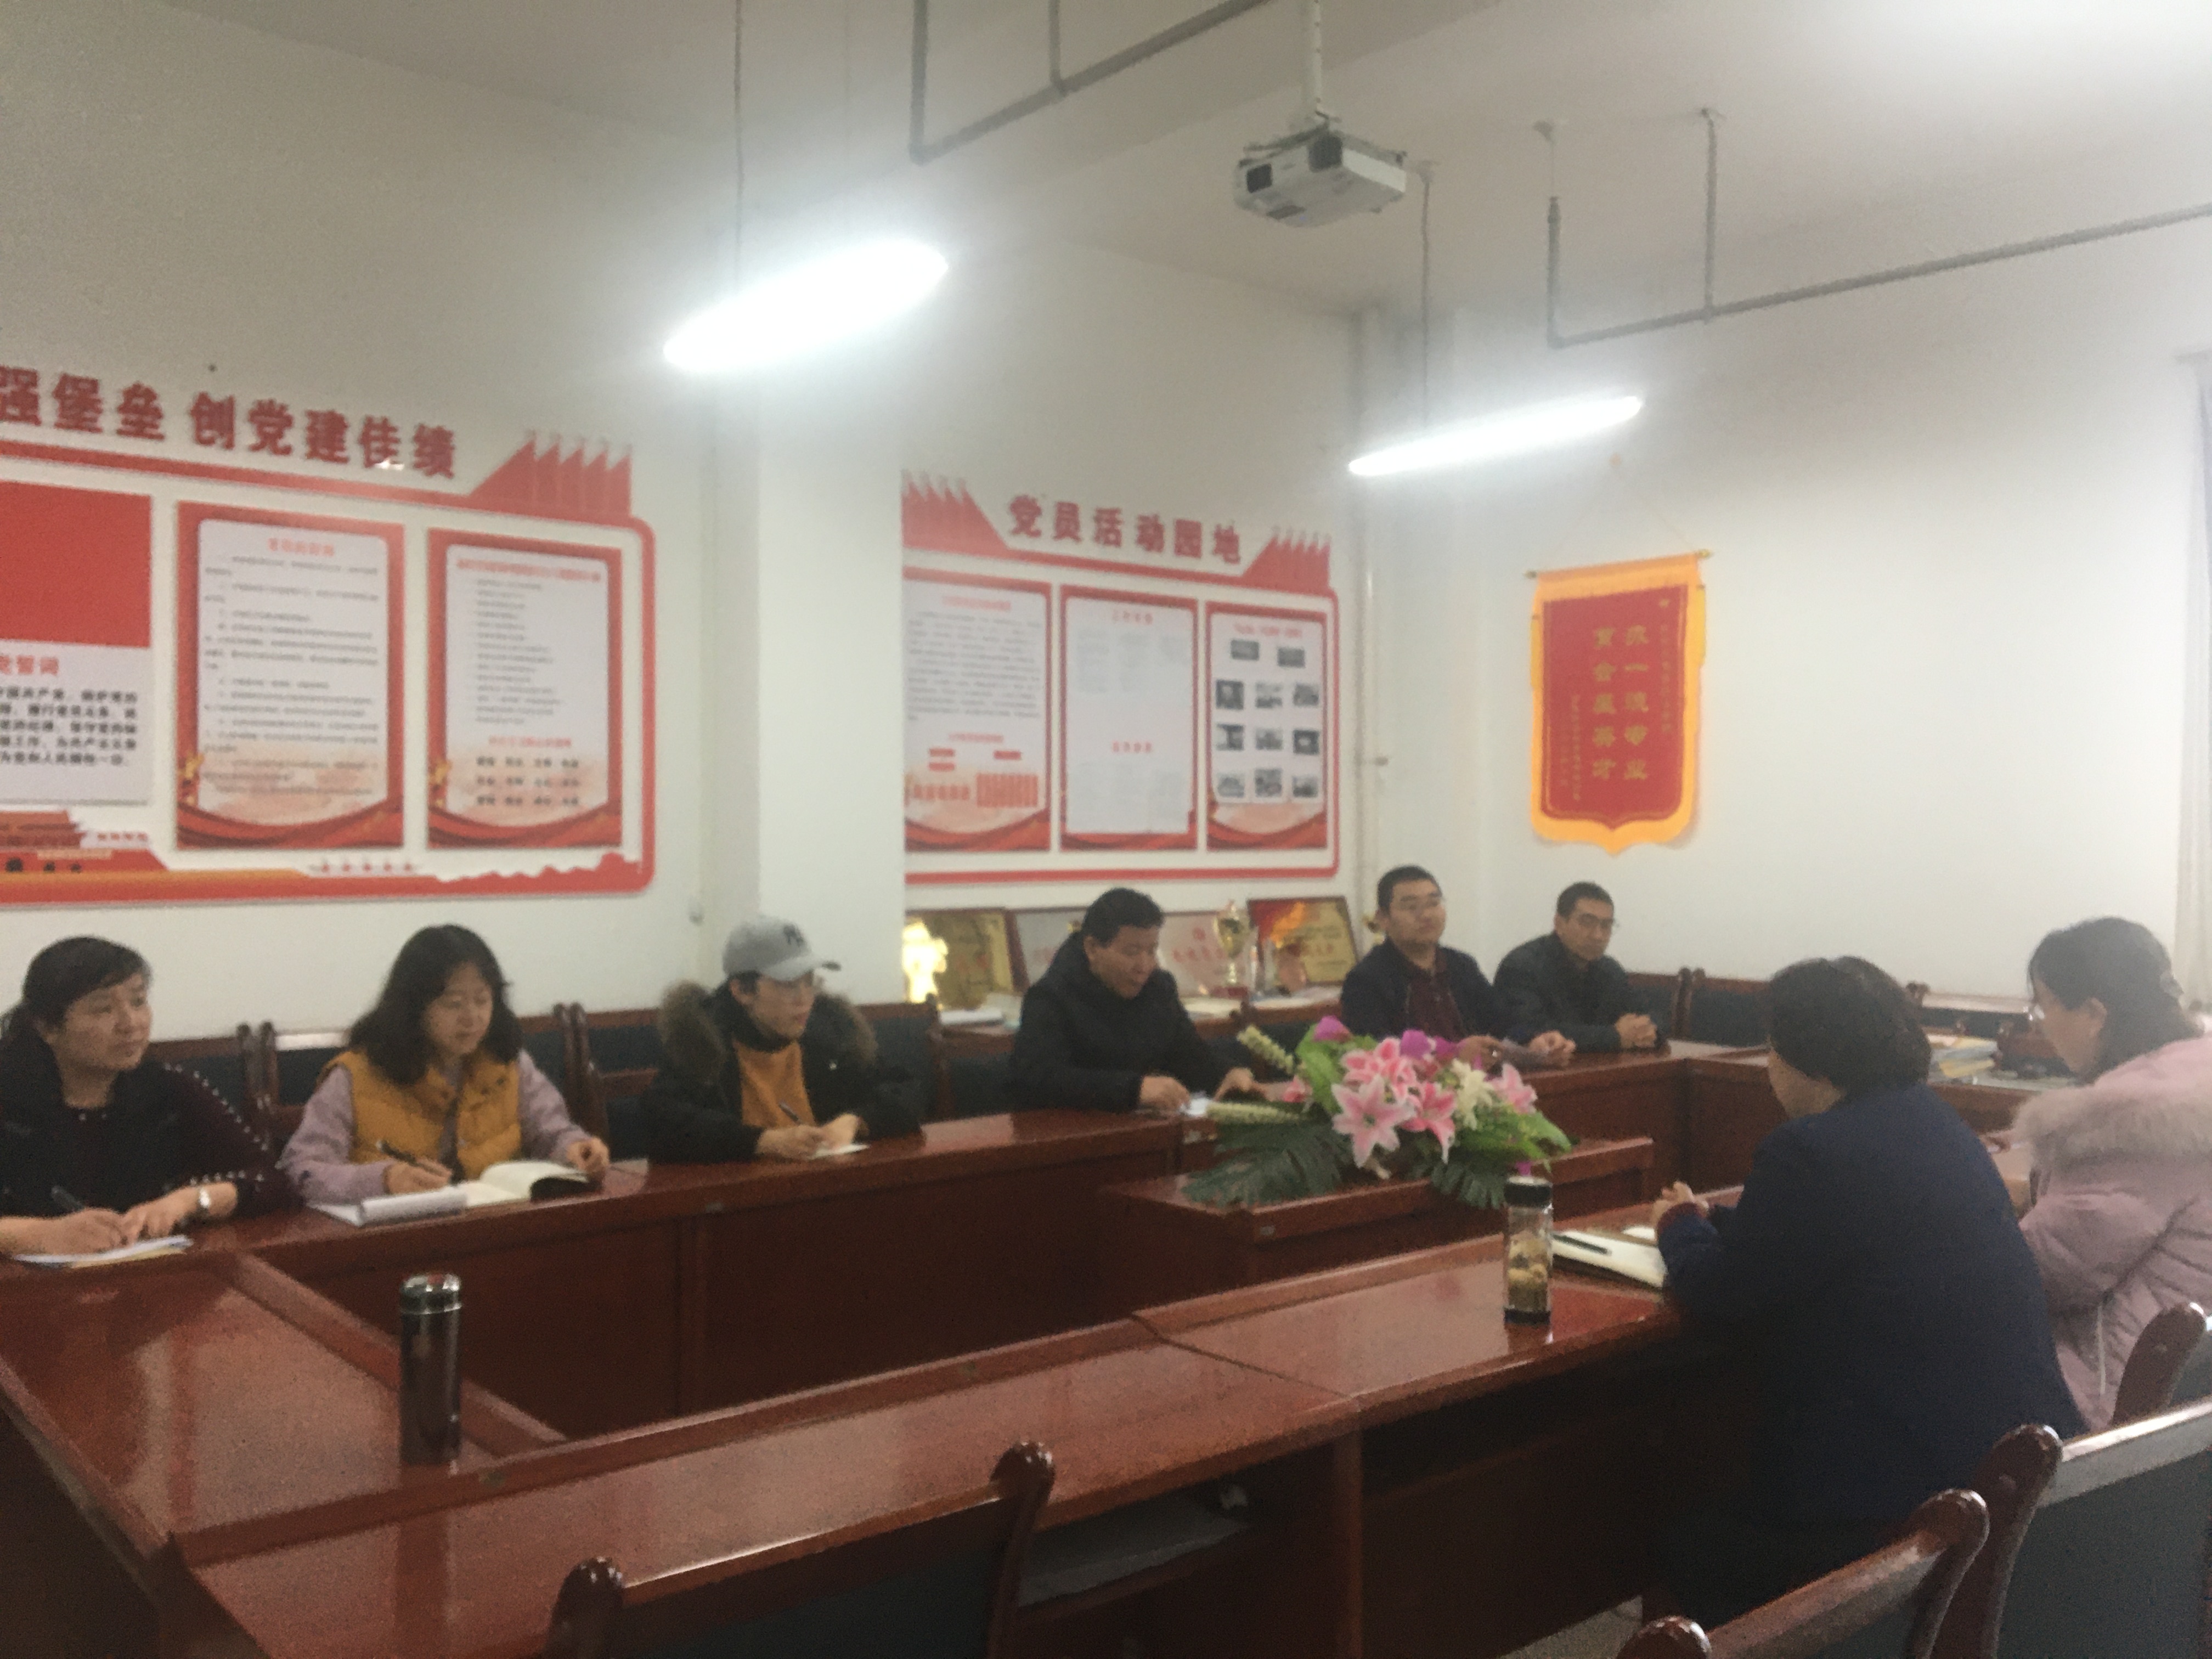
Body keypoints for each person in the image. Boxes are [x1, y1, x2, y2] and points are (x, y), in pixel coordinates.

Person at [1649, 957, 2080, 1629]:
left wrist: (1677, 1225)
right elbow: (1837, 1233)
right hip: (2011, 1466)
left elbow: (1721, 1293)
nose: (1768, 1068)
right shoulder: (1935, 1124)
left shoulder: (1810, 1149)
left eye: (1773, 1050)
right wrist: (1720, 1222)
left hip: (1901, 1496)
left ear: (1814, 1064)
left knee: (1688, 1542)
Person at [2011, 918, 2212, 1431]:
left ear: (2095, 1014)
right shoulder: (2195, 1081)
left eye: (2044, 1006)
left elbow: (2039, 1275)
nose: (2041, 1025)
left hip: (2111, 1403)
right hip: (2192, 1394)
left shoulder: (2128, 1125)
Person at [0, 937, 291, 1255]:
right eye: (103, 1009)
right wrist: (39, 1235)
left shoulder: (168, 1090)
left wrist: (191, 1200)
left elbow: (274, 1180)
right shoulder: (9, 1100)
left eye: (138, 1002)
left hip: (150, 1272)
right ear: (47, 1028)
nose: (130, 1024)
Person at [280, 926, 608, 1203]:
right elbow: (301, 1169)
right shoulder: (356, 1076)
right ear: (414, 1006)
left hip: (495, 1228)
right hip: (393, 1238)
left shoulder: (508, 1065)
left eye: (483, 1000)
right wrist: (384, 1179)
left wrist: (576, 1149)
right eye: (454, 1003)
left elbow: (552, 1131)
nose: (472, 1017)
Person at [641, 916, 923, 1162]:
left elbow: (909, 1091)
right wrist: (763, 1142)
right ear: (742, 991)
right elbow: (663, 1124)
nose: (805, 999)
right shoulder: (701, 1041)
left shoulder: (830, 1031)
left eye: (809, 982)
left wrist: (857, 1121)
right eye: (789, 985)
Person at [1009, 888, 1257, 1114]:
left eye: (1151, 951)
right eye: (1132, 952)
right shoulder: (1050, 998)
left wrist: (1226, 1074)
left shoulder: (1158, 988)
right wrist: (1133, 1090)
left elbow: (1188, 1054)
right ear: (1092, 948)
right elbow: (1040, 1081)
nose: (1144, 966)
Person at [1339, 866, 1573, 1066]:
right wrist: (1452, 1056)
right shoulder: (1366, 980)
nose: (1426, 915)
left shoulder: (1461, 966)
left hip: (1480, 1084)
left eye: (1433, 903)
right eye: (1411, 907)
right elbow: (1376, 1053)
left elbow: (1501, 1021)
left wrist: (1534, 1042)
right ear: (1383, 918)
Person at [1496, 882, 1658, 1053]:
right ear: (1559, 924)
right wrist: (1614, 1037)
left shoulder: (1609, 970)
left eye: (1606, 926)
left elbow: (1652, 1017)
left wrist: (1645, 1031)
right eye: (1587, 923)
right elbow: (1529, 1031)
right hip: (1539, 1069)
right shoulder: (1522, 966)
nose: (1598, 935)